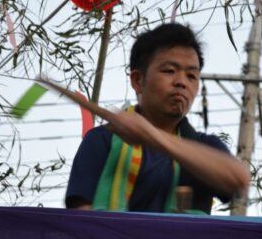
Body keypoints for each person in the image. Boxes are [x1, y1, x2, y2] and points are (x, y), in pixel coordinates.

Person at [65, 23, 250, 214]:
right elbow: (82, 222)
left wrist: (151, 136)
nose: (182, 82)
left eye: (191, 76)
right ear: (137, 80)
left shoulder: (206, 147)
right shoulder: (102, 139)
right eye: (169, 71)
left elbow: (238, 179)